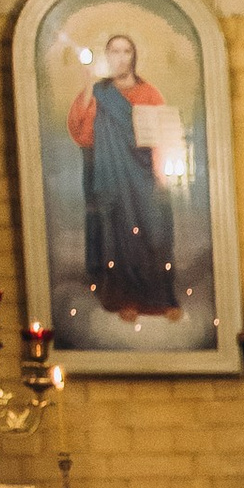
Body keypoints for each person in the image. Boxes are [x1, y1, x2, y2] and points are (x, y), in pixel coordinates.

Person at [68, 29, 180, 313]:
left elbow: (164, 136)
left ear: (134, 57)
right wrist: (86, 87)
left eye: (125, 51)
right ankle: (124, 298)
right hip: (112, 180)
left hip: (144, 178)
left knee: (153, 231)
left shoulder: (148, 93)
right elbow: (82, 134)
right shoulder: (98, 93)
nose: (120, 58)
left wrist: (161, 174)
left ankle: (160, 299)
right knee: (117, 235)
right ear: (107, 57)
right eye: (114, 52)